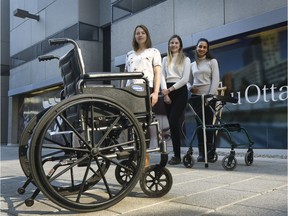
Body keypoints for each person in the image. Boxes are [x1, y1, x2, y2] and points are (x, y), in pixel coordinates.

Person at [124, 24, 162, 167]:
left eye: (142, 32)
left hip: (146, 89)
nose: (140, 35)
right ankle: (134, 155)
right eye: (137, 33)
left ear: (147, 35)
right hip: (131, 90)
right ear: (135, 36)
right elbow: (126, 76)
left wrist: (156, 93)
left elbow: (157, 73)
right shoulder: (129, 54)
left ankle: (145, 159)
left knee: (144, 125)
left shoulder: (154, 52)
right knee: (132, 124)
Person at [187, 38, 220, 162]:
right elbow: (188, 82)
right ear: (196, 47)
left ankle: (211, 152)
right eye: (200, 46)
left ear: (207, 49)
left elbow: (215, 80)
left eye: (205, 47)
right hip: (196, 98)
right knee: (200, 125)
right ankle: (201, 153)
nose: (202, 49)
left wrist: (210, 97)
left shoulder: (212, 62)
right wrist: (191, 88)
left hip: (209, 97)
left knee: (209, 125)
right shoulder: (191, 64)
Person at [161, 35, 191, 165]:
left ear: (180, 45)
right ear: (169, 45)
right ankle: (176, 155)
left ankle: (177, 155)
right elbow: (161, 76)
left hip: (180, 91)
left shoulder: (186, 59)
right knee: (172, 124)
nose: (174, 45)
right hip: (167, 91)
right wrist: (165, 93)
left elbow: (185, 79)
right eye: (171, 43)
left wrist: (170, 90)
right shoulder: (164, 59)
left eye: (176, 43)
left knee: (173, 121)